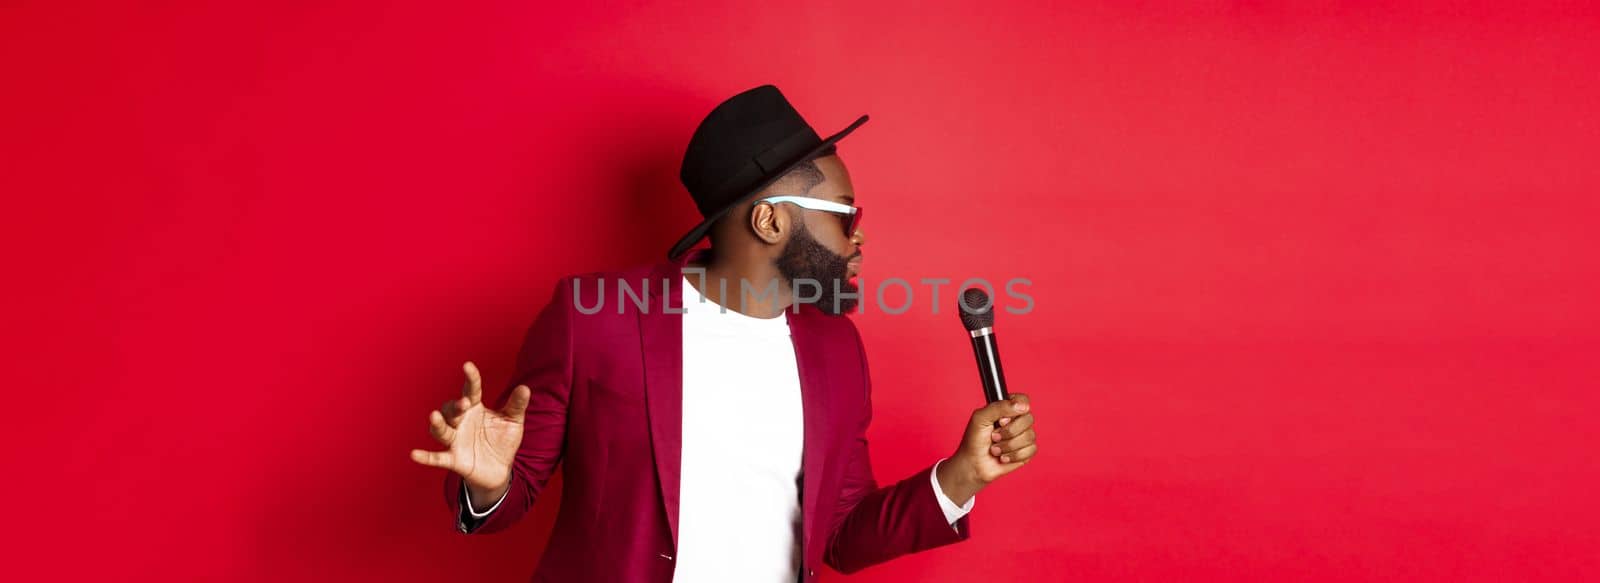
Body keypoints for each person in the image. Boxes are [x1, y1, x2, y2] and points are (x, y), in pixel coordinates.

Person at [409, 85, 1039, 582]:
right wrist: (489, 483)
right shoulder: (594, 317)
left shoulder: (836, 349)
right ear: (768, 220)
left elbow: (840, 536)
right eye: (848, 216)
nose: (861, 236)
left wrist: (962, 476)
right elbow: (512, 497)